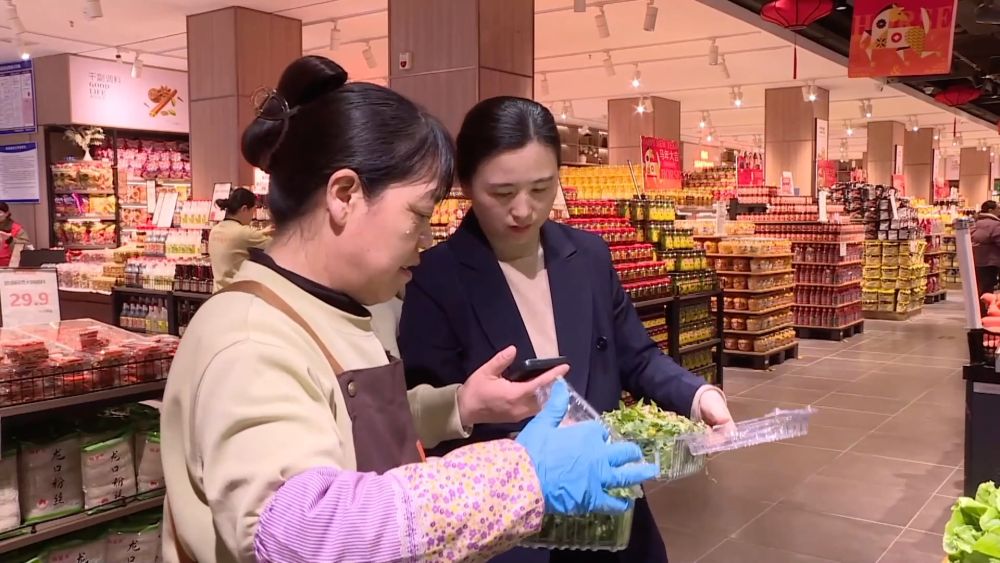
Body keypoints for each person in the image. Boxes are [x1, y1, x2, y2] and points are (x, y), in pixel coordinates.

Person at [159, 57, 657, 563]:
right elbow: (302, 532)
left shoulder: (324, 309)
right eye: (418, 216)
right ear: (345, 195)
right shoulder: (251, 340)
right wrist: (521, 474)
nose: (425, 241)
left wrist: (461, 405)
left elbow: (351, 426)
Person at [398, 96, 734, 563]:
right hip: (514, 529)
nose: (524, 210)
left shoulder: (589, 256)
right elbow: (421, 409)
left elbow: (637, 356)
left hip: (610, 508)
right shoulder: (434, 277)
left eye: (541, 188)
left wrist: (698, 396)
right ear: (467, 185)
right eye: (502, 193)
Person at [208, 187, 272, 291]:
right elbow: (277, 246)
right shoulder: (244, 233)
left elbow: (236, 240)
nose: (252, 217)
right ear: (244, 209)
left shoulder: (214, 231)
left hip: (218, 294)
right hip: (238, 294)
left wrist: (261, 232)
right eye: (253, 211)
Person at [972, 200, 1000, 299]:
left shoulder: (976, 222)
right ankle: (985, 306)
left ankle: (979, 306)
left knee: (979, 286)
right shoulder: (995, 224)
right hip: (990, 261)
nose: (999, 211)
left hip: (976, 259)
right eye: (998, 208)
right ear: (991, 210)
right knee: (987, 288)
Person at [0, 202, 30, 267]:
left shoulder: (16, 228)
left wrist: (10, 239)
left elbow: (26, 246)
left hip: (10, 267)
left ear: (7, 213)